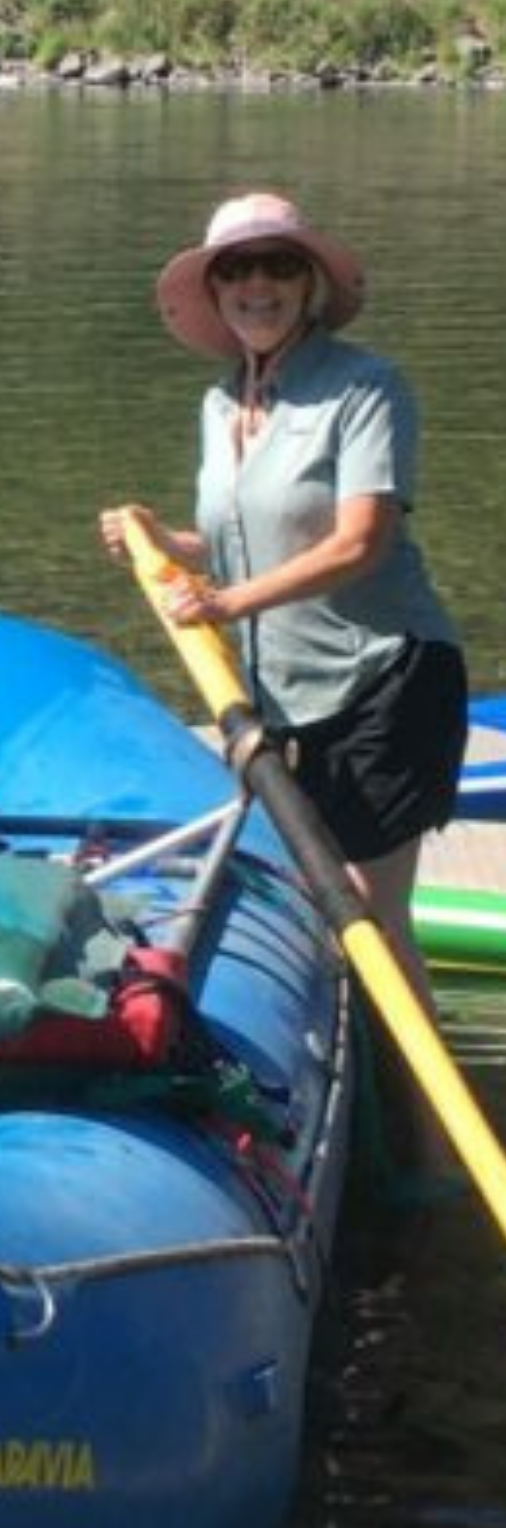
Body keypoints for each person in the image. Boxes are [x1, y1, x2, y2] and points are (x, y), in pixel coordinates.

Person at [99, 190, 466, 1179]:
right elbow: (229, 539)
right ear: (215, 293)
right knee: (325, 910)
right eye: (236, 272)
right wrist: (157, 541)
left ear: (308, 285)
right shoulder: (222, 403)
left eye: (275, 268)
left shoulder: (364, 387)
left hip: (389, 677)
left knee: (372, 921)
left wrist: (223, 603)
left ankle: (430, 1160)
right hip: (287, 694)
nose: (255, 286)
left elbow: (358, 538)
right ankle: (364, 1128)